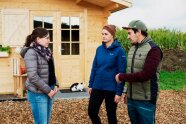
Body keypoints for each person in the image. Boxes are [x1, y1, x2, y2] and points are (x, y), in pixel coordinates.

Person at [115, 20, 163, 124]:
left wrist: (121, 77)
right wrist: (128, 93)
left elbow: (145, 75)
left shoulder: (154, 49)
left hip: (146, 99)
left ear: (138, 32)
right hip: (132, 99)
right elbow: (132, 70)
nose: (128, 37)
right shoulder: (132, 48)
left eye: (129, 33)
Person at [88, 25, 127, 124]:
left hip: (111, 88)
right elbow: (94, 67)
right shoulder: (99, 49)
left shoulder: (119, 51)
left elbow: (121, 72)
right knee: (92, 112)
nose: (103, 36)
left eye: (106, 34)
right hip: (97, 86)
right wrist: (91, 84)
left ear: (112, 35)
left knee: (111, 114)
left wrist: (119, 92)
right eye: (102, 34)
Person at [20, 27, 59, 124]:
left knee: (46, 121)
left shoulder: (47, 52)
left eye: (49, 38)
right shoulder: (31, 53)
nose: (49, 40)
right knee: (41, 122)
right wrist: (48, 90)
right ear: (37, 39)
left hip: (49, 90)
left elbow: (51, 71)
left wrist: (56, 84)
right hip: (38, 93)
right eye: (46, 38)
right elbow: (32, 76)